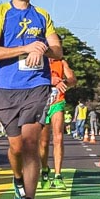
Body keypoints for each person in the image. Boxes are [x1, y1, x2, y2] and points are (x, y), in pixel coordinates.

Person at [0, 0, 63, 199]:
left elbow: (58, 50)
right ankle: (17, 179)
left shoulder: (42, 15)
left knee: (30, 143)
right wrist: (25, 48)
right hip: (6, 89)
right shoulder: (1, 13)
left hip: (36, 86)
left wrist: (43, 49)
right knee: (16, 147)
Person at [39, 57, 77, 190]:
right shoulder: (37, 59)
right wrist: (50, 80)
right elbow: (27, 79)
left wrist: (65, 81)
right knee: (43, 142)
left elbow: (73, 79)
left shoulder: (61, 62)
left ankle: (58, 175)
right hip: (41, 102)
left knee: (58, 137)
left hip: (57, 102)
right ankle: (44, 170)